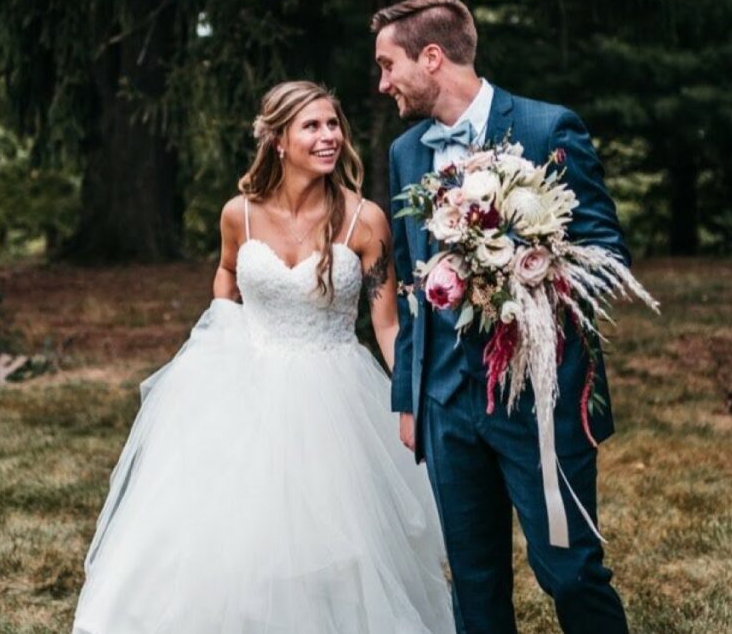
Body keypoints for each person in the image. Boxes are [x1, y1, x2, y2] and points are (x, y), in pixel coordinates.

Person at [72, 81, 454, 634]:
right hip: (245, 383)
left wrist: (410, 394)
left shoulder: (363, 220)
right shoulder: (239, 214)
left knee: (339, 537)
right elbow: (227, 273)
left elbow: (387, 323)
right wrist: (219, 340)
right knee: (230, 532)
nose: (328, 137)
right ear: (278, 139)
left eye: (333, 124)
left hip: (335, 393)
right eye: (312, 126)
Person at [376, 0, 632, 634]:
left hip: (537, 398)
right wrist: (411, 396)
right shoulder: (406, 153)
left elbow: (606, 254)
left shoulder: (549, 129)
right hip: (445, 403)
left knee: (569, 571)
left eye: (388, 65)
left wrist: (518, 267)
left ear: (431, 58)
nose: (383, 84)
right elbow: (413, 289)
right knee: (474, 581)